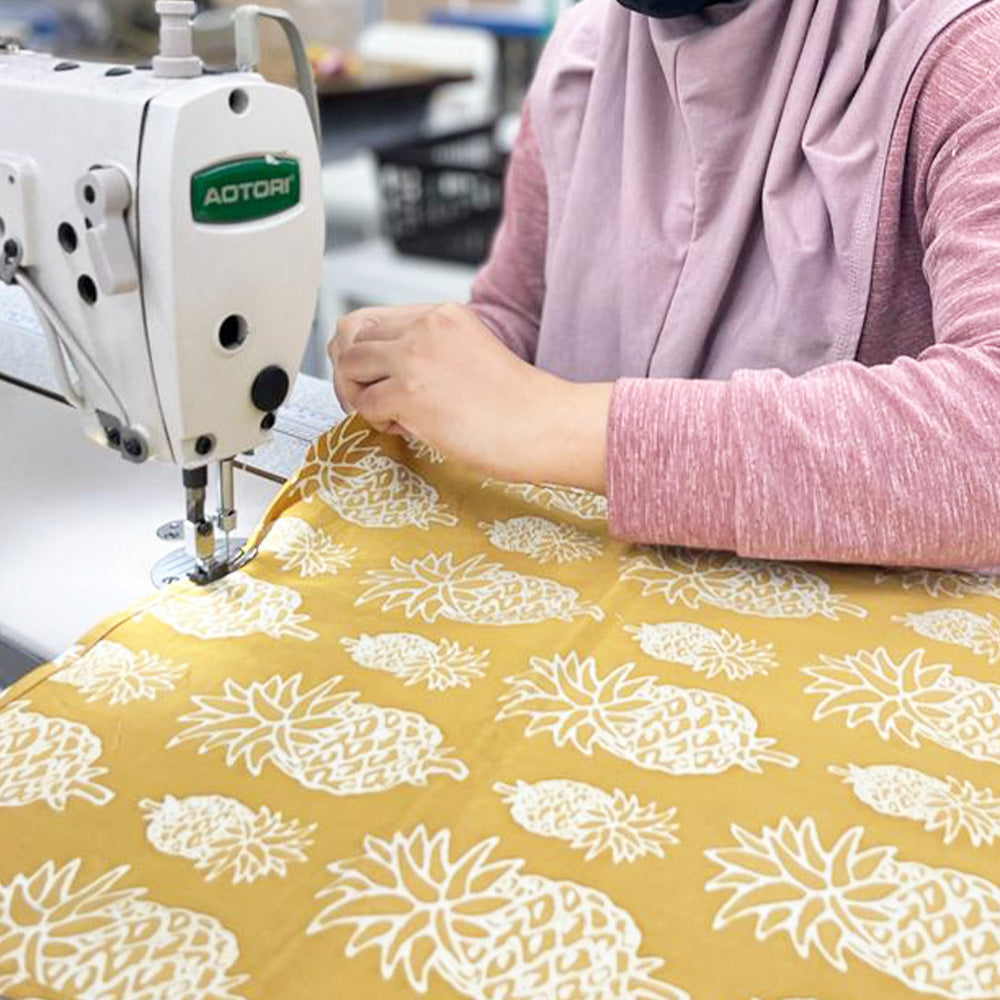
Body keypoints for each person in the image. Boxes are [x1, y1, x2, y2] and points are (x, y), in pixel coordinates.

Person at [328, 0, 1000, 570]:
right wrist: (427, 365)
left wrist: (547, 420)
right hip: (596, 616)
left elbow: (986, 438)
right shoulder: (586, 54)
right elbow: (519, 313)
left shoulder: (964, 55)